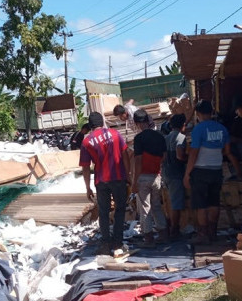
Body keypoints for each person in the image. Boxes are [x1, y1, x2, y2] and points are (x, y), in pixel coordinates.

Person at [183, 100, 242, 244]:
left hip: (201, 171)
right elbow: (227, 151)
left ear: (198, 114)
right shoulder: (222, 129)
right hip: (216, 171)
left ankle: (203, 235)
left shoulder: (199, 129)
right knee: (213, 202)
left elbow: (194, 153)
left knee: (201, 205)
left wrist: (187, 174)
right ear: (211, 112)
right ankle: (213, 233)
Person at [80, 112, 130, 255]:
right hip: (118, 177)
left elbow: (85, 167)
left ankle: (106, 243)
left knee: (103, 212)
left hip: (101, 181)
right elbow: (125, 154)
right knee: (120, 210)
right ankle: (117, 243)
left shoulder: (87, 141)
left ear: (90, 126)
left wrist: (88, 187)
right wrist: (128, 175)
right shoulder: (115, 134)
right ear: (102, 122)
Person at [132, 109, 168, 246]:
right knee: (157, 206)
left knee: (145, 208)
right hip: (156, 176)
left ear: (136, 123)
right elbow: (164, 157)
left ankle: (148, 239)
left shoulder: (138, 139)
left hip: (143, 178)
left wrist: (135, 181)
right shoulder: (159, 136)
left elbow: (138, 161)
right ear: (148, 120)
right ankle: (163, 234)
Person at [163, 113, 187, 239]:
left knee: (171, 201)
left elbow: (163, 157)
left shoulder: (166, 138)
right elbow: (179, 155)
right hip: (176, 174)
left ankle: (171, 227)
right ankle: (174, 230)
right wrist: (188, 159)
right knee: (176, 204)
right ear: (183, 125)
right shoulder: (181, 137)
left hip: (166, 172)